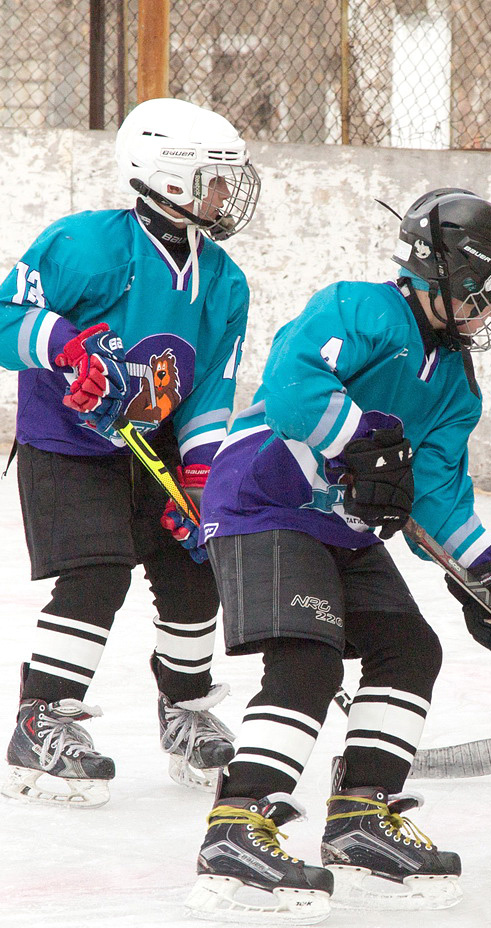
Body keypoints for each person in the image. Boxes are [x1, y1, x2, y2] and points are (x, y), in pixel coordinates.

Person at [183, 188, 491, 920]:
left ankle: (358, 820)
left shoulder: (454, 386)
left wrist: (487, 578)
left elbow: (435, 498)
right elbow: (291, 386)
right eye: (487, 290)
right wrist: (360, 445)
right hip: (264, 502)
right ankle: (237, 825)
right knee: (308, 658)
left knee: (412, 648)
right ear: (447, 273)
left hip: (340, 527)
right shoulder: (361, 309)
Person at [1, 97, 261, 807]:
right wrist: (64, 348)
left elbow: (211, 385)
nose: (223, 193)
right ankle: (41, 719)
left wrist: (203, 477)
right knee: (98, 572)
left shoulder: (225, 281)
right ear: (170, 178)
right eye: (213, 178)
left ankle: (184, 712)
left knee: (193, 569)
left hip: (159, 446)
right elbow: (5, 316)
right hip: (69, 448)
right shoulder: (85, 245)